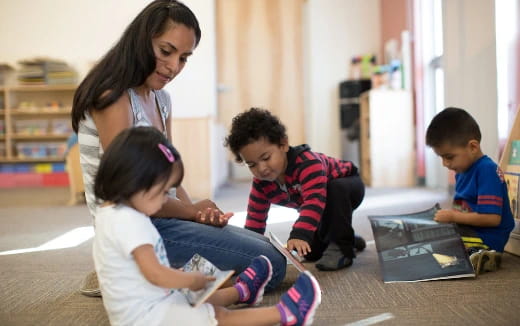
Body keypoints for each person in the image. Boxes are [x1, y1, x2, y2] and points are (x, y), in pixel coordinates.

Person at [71, 0, 285, 296]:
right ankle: (136, 274)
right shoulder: (114, 97)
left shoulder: (162, 100)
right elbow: (131, 191)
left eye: (184, 58)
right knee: (271, 265)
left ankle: (146, 275)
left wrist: (195, 209)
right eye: (166, 51)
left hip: (164, 217)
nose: (173, 67)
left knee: (266, 247)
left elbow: (169, 177)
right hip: (138, 227)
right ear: (141, 40)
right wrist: (191, 213)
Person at [93, 126, 321, 326]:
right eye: (162, 192)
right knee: (217, 316)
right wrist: (191, 279)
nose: (165, 200)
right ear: (136, 181)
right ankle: (286, 314)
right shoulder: (131, 222)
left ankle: (243, 291)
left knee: (197, 300)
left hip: (145, 303)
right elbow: (155, 274)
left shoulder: (111, 213)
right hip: (148, 316)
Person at [224, 108, 366, 271]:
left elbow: (313, 201)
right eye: (252, 164)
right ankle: (349, 238)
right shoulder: (261, 183)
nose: (261, 168)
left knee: (334, 190)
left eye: (266, 158)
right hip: (321, 205)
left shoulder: (308, 163)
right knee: (312, 252)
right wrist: (248, 251)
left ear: (283, 144)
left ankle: (343, 248)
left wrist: (299, 234)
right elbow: (255, 219)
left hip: (348, 186)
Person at [425, 107, 515, 275]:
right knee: (428, 237)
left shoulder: (487, 170)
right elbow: (464, 209)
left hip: (488, 238)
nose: (445, 164)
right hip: (469, 230)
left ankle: (483, 255)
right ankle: (468, 254)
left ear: (473, 147)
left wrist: (453, 217)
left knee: (438, 245)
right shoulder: (462, 171)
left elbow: (492, 219)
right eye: (441, 158)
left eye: (449, 157)